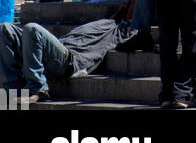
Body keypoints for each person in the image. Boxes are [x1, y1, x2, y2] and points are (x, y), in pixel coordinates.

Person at [0, 17, 138, 103]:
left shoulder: (118, 30)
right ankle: (13, 88)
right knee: (4, 28)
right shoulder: (101, 22)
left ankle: (38, 89)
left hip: (70, 60)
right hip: (61, 47)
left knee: (32, 29)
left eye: (128, 4)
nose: (124, 5)